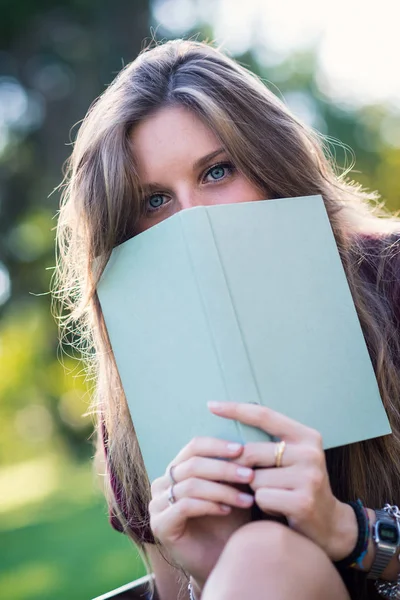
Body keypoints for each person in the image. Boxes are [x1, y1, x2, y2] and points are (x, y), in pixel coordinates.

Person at [53, 38, 400, 600]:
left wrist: (348, 530)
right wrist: (198, 570)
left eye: (217, 172)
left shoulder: (392, 275)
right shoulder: (135, 400)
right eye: (155, 202)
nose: (193, 219)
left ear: (272, 166)